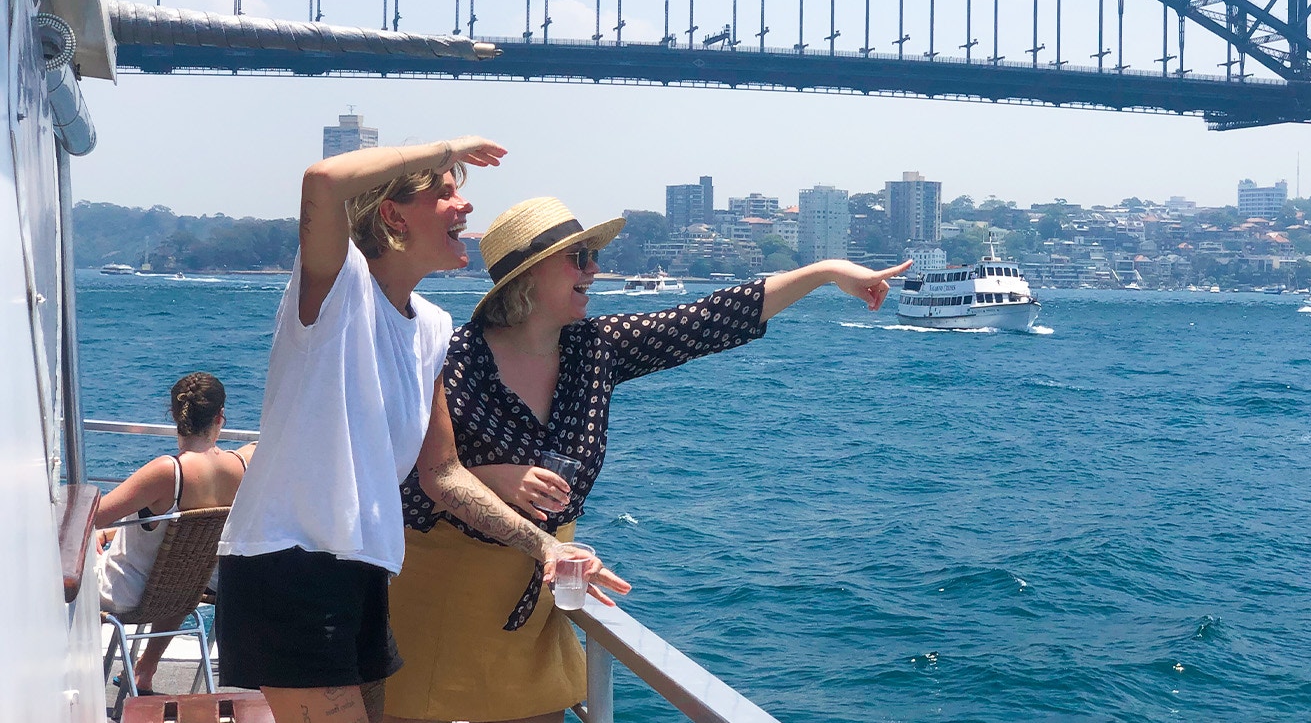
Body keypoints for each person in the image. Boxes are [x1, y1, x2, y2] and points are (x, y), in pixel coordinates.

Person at [384, 197, 909, 723]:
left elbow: (710, 319)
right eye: (580, 256)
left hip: (539, 598)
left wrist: (825, 273)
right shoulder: (449, 359)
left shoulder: (596, 350)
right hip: (440, 595)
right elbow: (395, 477)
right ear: (529, 275)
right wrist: (489, 476)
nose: (595, 268)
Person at [213, 138, 618, 723]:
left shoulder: (432, 328)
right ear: (392, 214)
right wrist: (446, 148)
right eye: (445, 193)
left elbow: (443, 473)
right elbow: (323, 183)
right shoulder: (338, 287)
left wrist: (547, 547)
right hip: (289, 566)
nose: (464, 207)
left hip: (366, 571)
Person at [95, 371, 254, 696]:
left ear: (175, 416)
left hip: (127, 591)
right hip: (185, 587)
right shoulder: (244, 467)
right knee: (181, 564)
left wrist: (98, 538)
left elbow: (93, 516)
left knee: (67, 549)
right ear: (220, 416)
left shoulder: (168, 471)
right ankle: (145, 672)